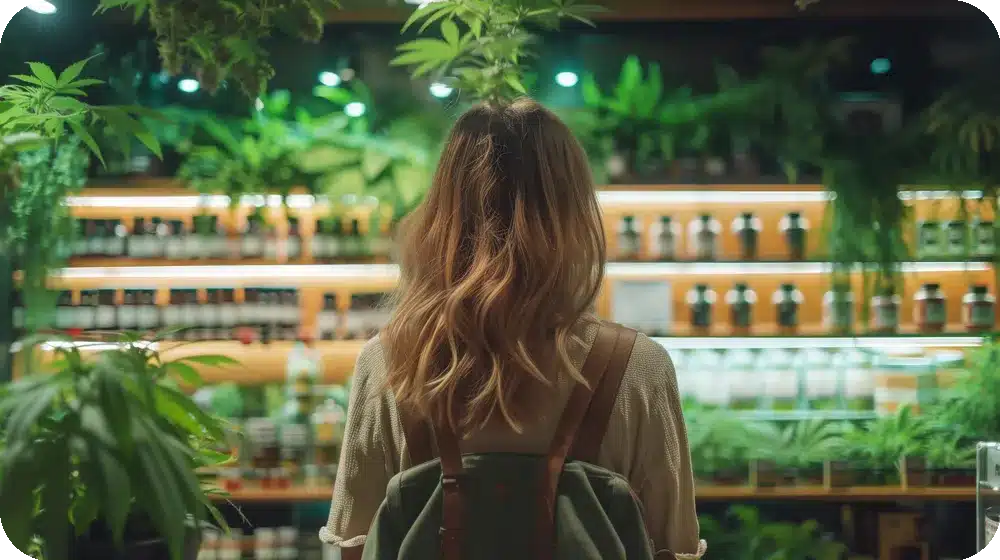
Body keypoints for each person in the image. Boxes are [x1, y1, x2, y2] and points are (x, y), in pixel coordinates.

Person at [320, 98, 706, 559]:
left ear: (444, 211)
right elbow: (674, 547)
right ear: (573, 211)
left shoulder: (390, 363)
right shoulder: (637, 367)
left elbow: (353, 545)